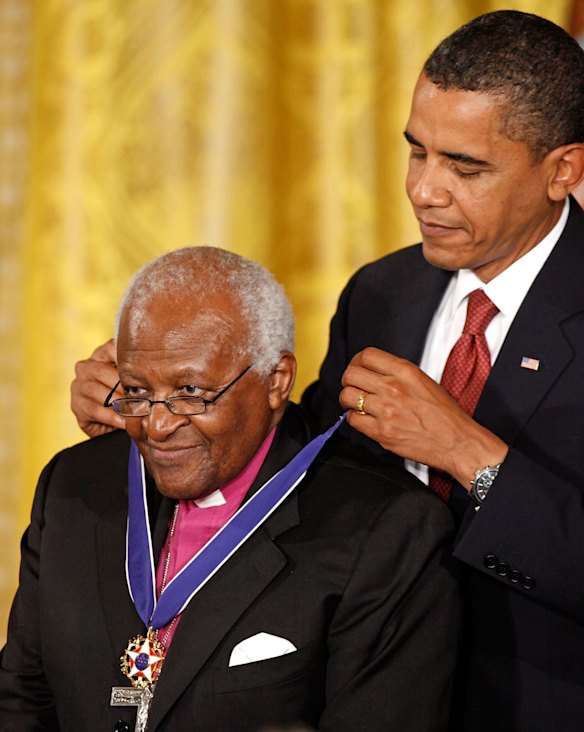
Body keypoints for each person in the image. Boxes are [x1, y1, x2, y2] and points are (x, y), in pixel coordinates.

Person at [67, 10, 584, 730]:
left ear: (563, 169)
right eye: (417, 152)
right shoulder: (384, 293)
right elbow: (307, 456)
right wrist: (155, 398)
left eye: (464, 167)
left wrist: (466, 452)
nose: (424, 191)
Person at [0, 247, 458, 731]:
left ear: (276, 380)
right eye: (136, 391)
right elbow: (21, 700)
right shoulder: (74, 485)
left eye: (191, 393)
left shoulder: (387, 529)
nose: (157, 425)